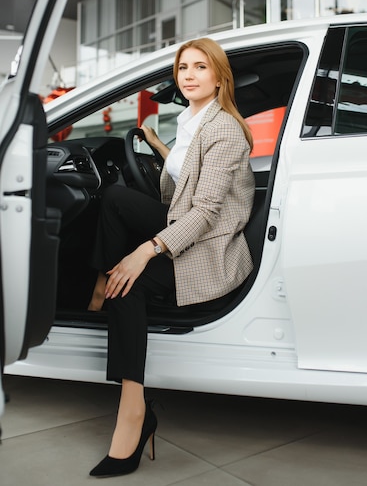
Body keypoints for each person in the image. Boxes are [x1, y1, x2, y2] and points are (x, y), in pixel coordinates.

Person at [88, 37, 255, 478]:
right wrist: (158, 145)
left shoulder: (225, 130)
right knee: (116, 199)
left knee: (130, 283)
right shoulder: (192, 120)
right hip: (187, 223)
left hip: (209, 246)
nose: (190, 75)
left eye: (201, 67)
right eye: (183, 68)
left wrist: (146, 250)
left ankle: (133, 415)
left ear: (219, 77)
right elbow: (185, 173)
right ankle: (100, 284)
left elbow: (203, 211)